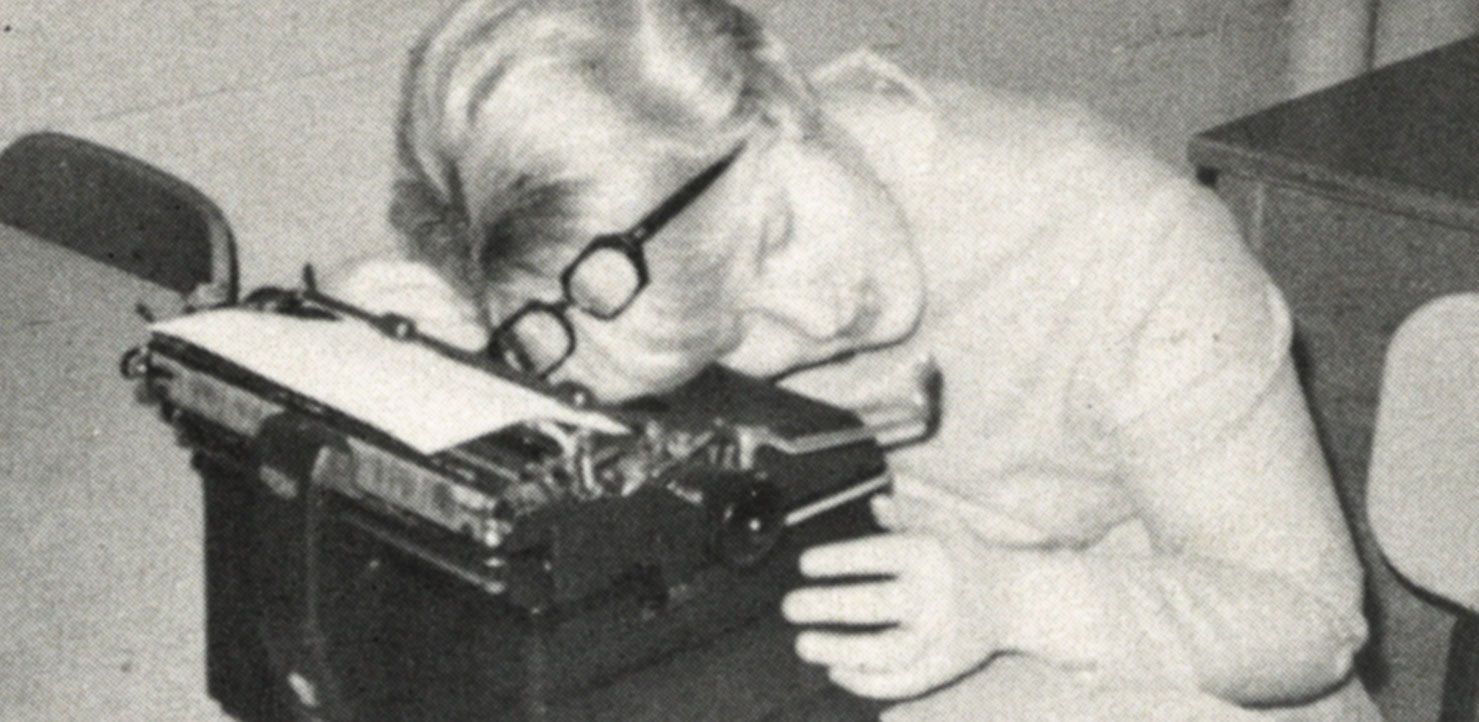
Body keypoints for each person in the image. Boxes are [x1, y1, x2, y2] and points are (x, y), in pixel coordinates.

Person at [330, 0, 1381, 718]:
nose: (815, 312)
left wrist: (1007, 599)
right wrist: (451, 369)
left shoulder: (1125, 234)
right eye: (732, 335)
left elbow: (1312, 619)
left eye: (779, 235)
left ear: (779, 95)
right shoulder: (639, 264)